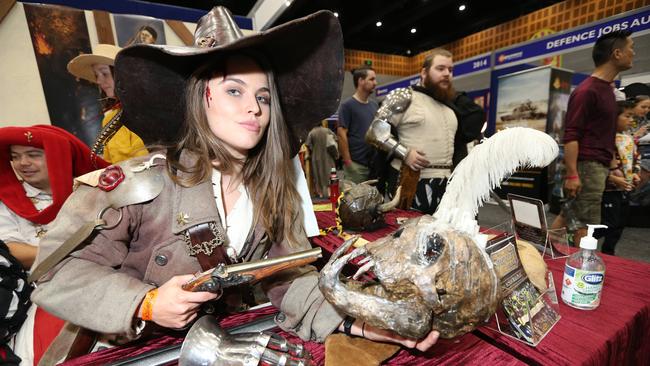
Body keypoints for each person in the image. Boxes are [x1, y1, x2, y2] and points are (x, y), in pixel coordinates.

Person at [31, 7, 438, 362]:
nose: (253, 108)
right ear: (201, 97)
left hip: (216, 344)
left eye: (263, 97)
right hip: (127, 348)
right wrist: (146, 302)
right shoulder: (138, 186)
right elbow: (54, 273)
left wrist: (359, 323)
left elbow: (289, 278)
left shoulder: (271, 190)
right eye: (233, 90)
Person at [0, 125, 109, 365]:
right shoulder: (6, 200)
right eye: (15, 157)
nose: (23, 163)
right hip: (38, 292)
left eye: (33, 155)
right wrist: (71, 254)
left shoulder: (91, 192)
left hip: (99, 284)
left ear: (56, 155)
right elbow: (11, 251)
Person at [366, 48, 484, 214]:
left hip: (446, 188)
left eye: (450, 70)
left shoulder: (450, 108)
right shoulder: (403, 96)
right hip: (411, 183)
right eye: (440, 68)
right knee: (406, 235)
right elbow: (375, 132)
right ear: (424, 72)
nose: (446, 74)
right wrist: (405, 153)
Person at [551, 30, 635, 245]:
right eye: (630, 48)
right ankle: (582, 271)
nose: (633, 53)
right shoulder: (587, 91)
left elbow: (603, 134)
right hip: (587, 167)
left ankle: (545, 255)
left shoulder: (606, 89)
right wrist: (572, 174)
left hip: (596, 167)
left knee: (570, 214)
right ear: (616, 53)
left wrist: (613, 166)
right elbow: (571, 135)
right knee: (585, 226)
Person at [67, 44, 148, 164]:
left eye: (104, 74)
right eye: (96, 75)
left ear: (122, 75)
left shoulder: (149, 113)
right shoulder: (109, 119)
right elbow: (109, 163)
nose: (99, 81)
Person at [596, 101, 640, 255]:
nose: (630, 120)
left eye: (632, 117)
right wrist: (612, 179)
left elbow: (635, 159)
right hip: (608, 190)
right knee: (608, 224)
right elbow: (596, 166)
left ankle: (609, 253)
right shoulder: (605, 138)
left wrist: (635, 173)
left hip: (625, 189)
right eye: (627, 116)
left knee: (619, 225)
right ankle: (580, 241)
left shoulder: (629, 138)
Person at [337, 66, 378, 183]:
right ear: (361, 81)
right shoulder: (347, 106)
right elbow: (341, 134)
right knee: (355, 200)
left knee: (373, 199)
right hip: (356, 166)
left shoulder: (374, 105)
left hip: (373, 165)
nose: (375, 83)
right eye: (372, 79)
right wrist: (348, 162)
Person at [305, 122, 338, 198]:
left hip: (316, 158)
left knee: (318, 176)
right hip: (328, 157)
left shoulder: (312, 132)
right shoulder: (328, 130)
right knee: (330, 174)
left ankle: (321, 194)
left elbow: (308, 144)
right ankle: (330, 192)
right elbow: (335, 139)